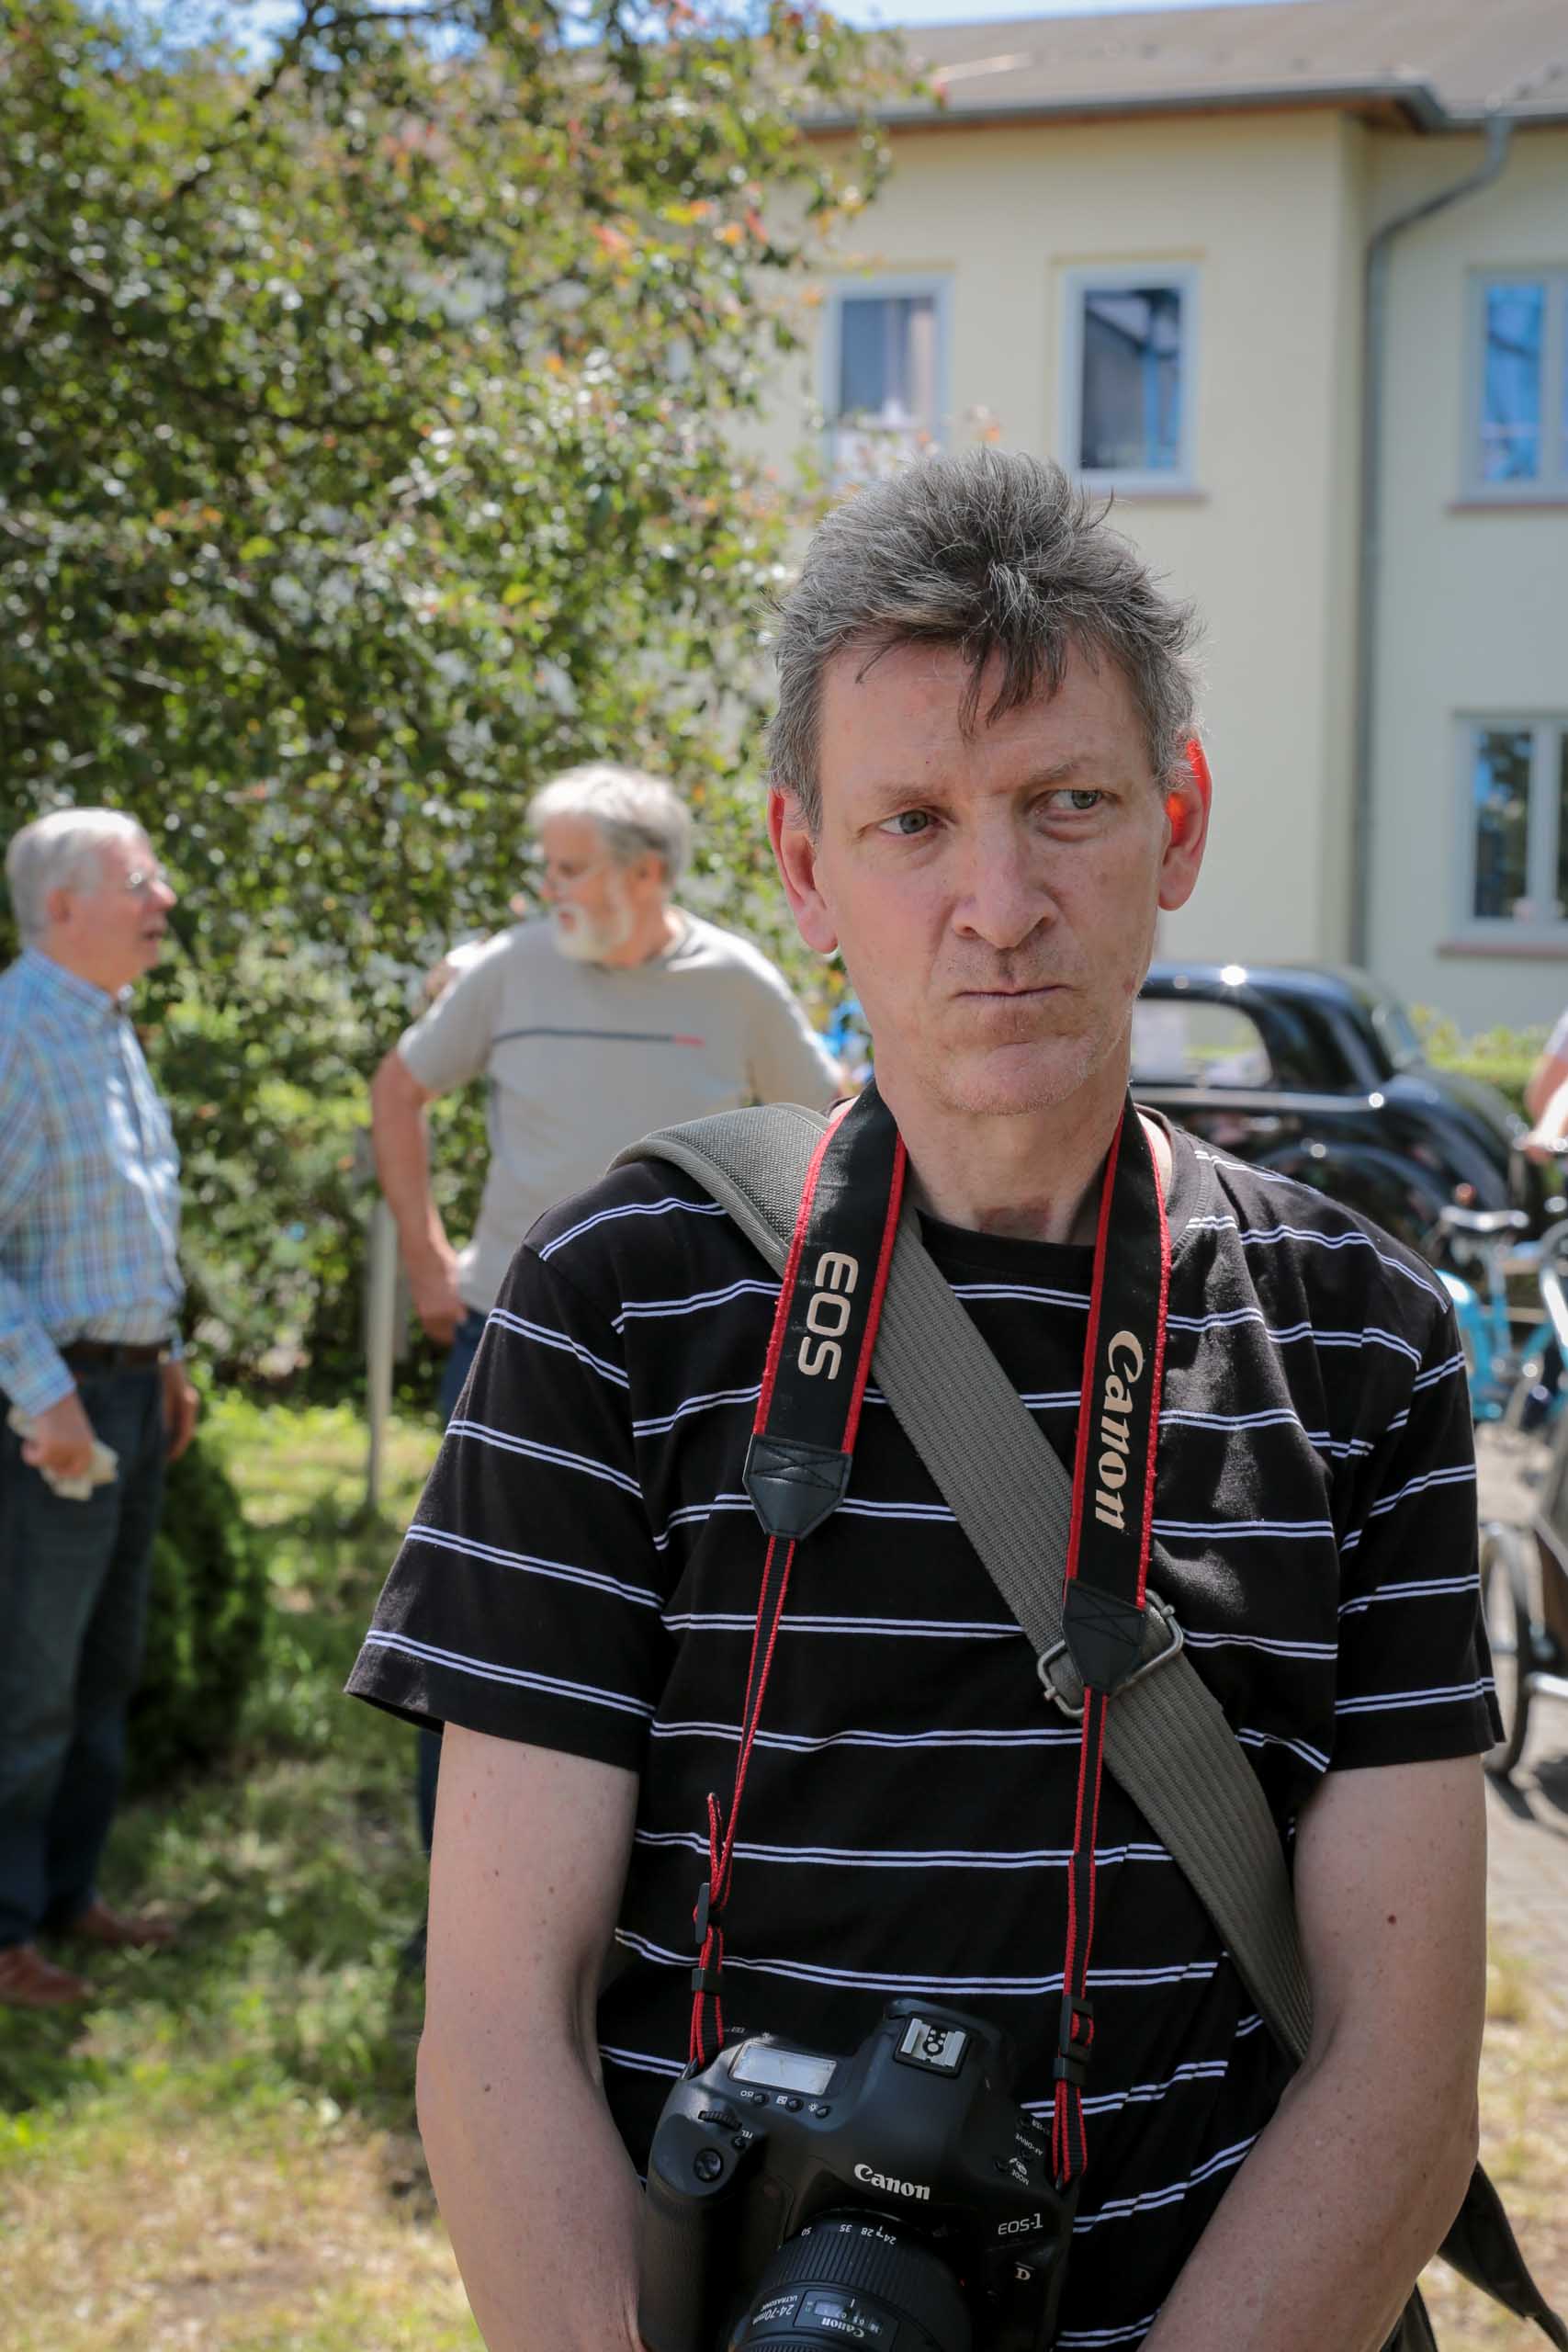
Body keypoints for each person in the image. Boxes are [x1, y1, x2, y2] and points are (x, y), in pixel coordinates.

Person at [348, 456, 1495, 2352]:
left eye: (1066, 804)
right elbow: (494, 2018)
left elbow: (1401, 2064)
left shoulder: (1360, 1336)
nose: (998, 903)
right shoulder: (610, 1307)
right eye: (912, 822)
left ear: (1176, 820)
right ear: (804, 869)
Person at [368, 761, 840, 1850]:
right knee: (485, 1630)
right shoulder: (509, 969)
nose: (550, 890)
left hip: (698, 1360)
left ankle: (635, 1887)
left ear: (647, 873)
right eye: (549, 866)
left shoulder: (734, 983)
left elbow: (833, 1126)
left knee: (672, 1629)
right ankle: (461, 1901)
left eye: (571, 868)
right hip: (509, 1339)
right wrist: (429, 1258)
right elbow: (399, 1091)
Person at [0, 808, 198, 2009]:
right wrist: (50, 1397)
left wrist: (161, 1357)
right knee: (28, 1684)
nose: (163, 897)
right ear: (64, 904)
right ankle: (6, 1931)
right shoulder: (18, 1033)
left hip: (124, 1390)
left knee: (100, 1666)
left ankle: (67, 1894)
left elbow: (119, 1224)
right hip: (49, 1411)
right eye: (141, 879)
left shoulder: (105, 1024)